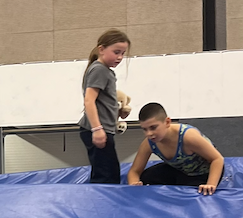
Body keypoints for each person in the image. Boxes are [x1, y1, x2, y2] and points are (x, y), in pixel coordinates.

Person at [126, 103, 225, 195]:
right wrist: (134, 184)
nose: (149, 134)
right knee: (145, 178)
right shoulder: (149, 142)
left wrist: (211, 184)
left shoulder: (188, 137)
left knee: (187, 193)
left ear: (167, 122)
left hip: (203, 172)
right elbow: (134, 171)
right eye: (145, 129)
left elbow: (217, 159)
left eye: (153, 128)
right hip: (180, 169)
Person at [79, 29, 130, 184]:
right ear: (101, 49)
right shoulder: (99, 69)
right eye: (116, 52)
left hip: (104, 128)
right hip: (97, 129)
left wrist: (118, 113)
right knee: (107, 175)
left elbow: (103, 101)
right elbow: (89, 100)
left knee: (108, 172)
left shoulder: (105, 71)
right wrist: (97, 129)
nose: (120, 57)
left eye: (123, 53)